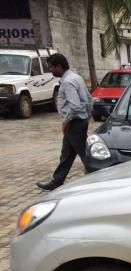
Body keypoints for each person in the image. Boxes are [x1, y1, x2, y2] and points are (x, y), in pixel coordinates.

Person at [36, 53, 92, 191]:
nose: (50, 70)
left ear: (59, 66)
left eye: (51, 67)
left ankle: (97, 176)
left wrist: (66, 122)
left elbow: (75, 105)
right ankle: (57, 180)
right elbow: (89, 98)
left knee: (85, 154)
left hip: (74, 123)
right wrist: (87, 115)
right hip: (78, 121)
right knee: (66, 154)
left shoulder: (68, 82)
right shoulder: (76, 77)